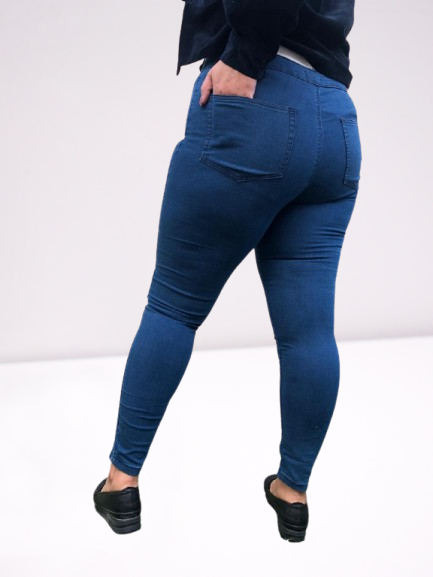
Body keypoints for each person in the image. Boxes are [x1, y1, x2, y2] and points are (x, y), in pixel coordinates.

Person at [93, 0, 361, 542]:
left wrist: (244, 56)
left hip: (258, 93)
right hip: (335, 119)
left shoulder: (250, 64)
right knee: (309, 333)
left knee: (173, 307)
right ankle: (293, 490)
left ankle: (121, 481)